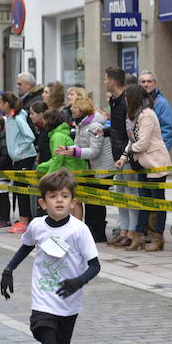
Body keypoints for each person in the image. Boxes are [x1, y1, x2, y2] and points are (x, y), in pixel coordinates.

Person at [0, 168, 101, 344]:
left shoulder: (79, 230)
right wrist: (8, 270)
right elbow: (26, 246)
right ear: (43, 202)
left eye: (64, 196)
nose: (59, 200)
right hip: (43, 298)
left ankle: (49, 342)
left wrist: (78, 281)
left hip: (70, 301)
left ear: (72, 201)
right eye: (53, 196)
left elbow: (95, 266)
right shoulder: (37, 226)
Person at [114, 83, 172, 252]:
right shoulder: (134, 116)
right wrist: (123, 158)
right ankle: (138, 235)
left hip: (155, 163)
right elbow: (133, 141)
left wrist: (128, 152)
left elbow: (142, 143)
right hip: (142, 164)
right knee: (143, 201)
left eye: (126, 97)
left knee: (156, 202)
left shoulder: (147, 115)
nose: (125, 100)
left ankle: (157, 237)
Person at [54, 94, 111, 242]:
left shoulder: (95, 126)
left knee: (96, 202)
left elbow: (94, 151)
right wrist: (67, 148)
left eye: (74, 106)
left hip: (103, 168)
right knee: (90, 201)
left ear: (82, 109)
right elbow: (79, 146)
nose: (71, 109)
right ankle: (90, 231)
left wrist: (74, 152)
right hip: (92, 168)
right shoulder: (81, 124)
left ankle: (98, 233)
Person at [104, 66, 136, 247]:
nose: (104, 82)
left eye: (105, 78)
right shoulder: (114, 100)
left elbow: (130, 131)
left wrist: (126, 153)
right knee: (121, 193)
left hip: (128, 155)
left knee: (131, 192)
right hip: (118, 154)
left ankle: (132, 232)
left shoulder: (126, 101)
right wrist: (104, 130)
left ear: (113, 81)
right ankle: (124, 230)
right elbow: (117, 127)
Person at [0, 91, 38, 233]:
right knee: (18, 189)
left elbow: (30, 136)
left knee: (22, 190)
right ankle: (22, 220)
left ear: (7, 104)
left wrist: (18, 151)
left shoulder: (18, 119)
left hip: (25, 158)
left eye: (1, 102)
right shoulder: (10, 118)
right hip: (18, 159)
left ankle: (24, 221)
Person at [138, 70, 172, 152]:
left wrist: (161, 152)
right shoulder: (136, 102)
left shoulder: (163, 104)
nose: (146, 84)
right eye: (143, 82)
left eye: (149, 81)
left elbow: (168, 131)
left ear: (155, 84)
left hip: (155, 154)